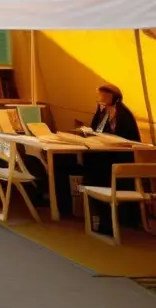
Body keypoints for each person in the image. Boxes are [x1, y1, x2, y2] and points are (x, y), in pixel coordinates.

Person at [53, 83, 142, 232]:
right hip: (101, 155)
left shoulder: (121, 114)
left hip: (114, 161)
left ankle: (104, 221)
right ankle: (64, 208)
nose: (98, 99)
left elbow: (117, 137)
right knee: (61, 162)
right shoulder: (103, 111)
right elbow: (96, 131)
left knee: (94, 174)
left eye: (101, 95)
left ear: (111, 96)